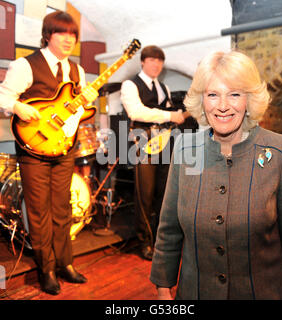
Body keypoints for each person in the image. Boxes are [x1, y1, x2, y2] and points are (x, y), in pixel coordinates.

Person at [150, 50, 282, 300]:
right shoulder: (186, 149)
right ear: (202, 99)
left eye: (234, 94)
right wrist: (162, 286)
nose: (222, 106)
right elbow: (169, 227)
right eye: (212, 94)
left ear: (249, 99)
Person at [0, 11, 98, 295]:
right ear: (47, 35)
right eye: (61, 33)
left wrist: (86, 103)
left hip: (65, 148)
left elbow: (75, 112)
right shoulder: (25, 65)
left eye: (73, 35)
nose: (69, 39)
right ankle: (47, 269)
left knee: (62, 208)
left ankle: (65, 263)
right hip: (33, 150)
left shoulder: (77, 71)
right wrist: (19, 108)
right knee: (39, 211)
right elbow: (4, 96)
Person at [121, 45, 185, 260]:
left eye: (160, 61)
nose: (157, 64)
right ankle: (144, 242)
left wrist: (177, 115)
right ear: (142, 62)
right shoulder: (130, 85)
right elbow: (136, 111)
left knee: (164, 194)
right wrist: (170, 117)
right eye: (152, 60)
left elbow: (167, 114)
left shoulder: (164, 88)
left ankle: (161, 239)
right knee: (144, 196)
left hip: (165, 143)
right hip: (142, 142)